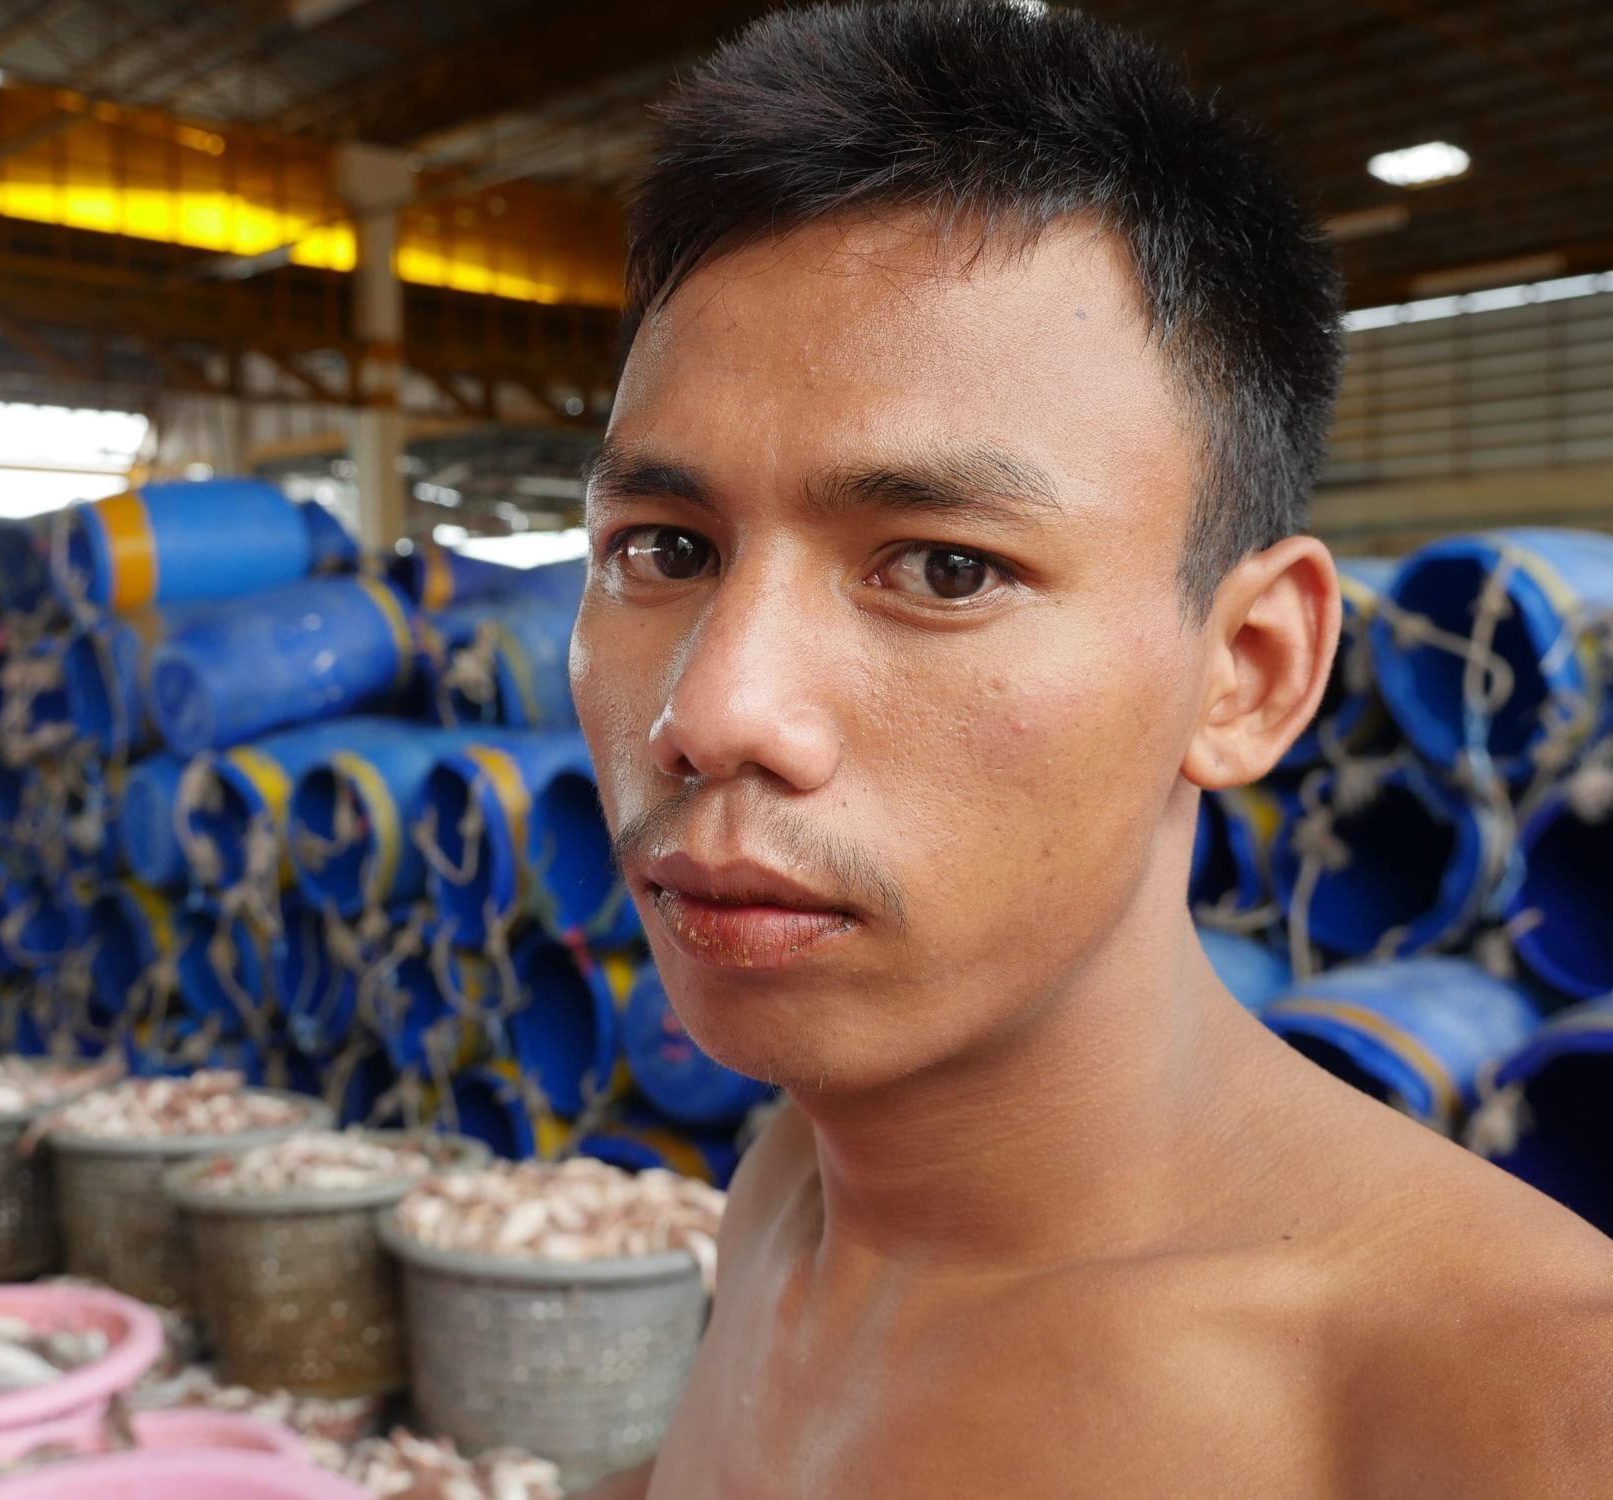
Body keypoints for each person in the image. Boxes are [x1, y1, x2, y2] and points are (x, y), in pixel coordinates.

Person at [570, 4, 1613, 1495]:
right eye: (663, 546)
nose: (711, 711)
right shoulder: (792, 1191)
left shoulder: (1516, 1415)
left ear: (1246, 674)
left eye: (942, 568)